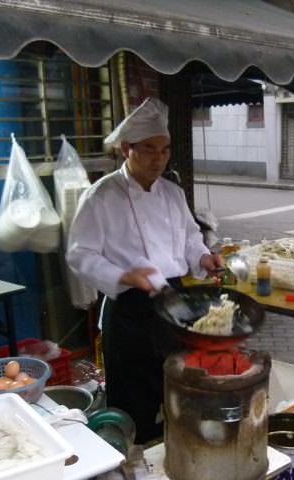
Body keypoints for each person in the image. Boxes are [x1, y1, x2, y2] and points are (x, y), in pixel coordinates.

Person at [66, 97, 223, 443]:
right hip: (129, 308)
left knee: (176, 382)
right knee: (133, 395)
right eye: (149, 149)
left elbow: (190, 239)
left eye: (165, 150)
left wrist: (203, 258)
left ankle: (174, 449)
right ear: (126, 149)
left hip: (174, 300)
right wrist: (123, 276)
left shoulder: (172, 192)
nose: (159, 158)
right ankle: (133, 457)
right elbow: (80, 255)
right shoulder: (101, 197)